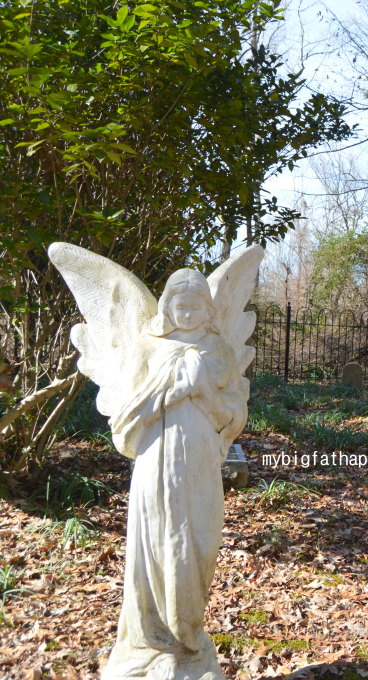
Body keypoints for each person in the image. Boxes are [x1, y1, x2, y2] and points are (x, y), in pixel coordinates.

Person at [102, 269, 246, 680]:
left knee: (196, 545)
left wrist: (203, 391)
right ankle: (150, 644)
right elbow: (127, 416)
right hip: (154, 460)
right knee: (154, 549)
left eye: (195, 306)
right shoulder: (148, 347)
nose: (187, 313)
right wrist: (170, 391)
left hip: (200, 463)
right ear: (167, 306)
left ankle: (188, 640)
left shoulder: (218, 349)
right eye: (180, 306)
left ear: (208, 307)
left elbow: (233, 415)